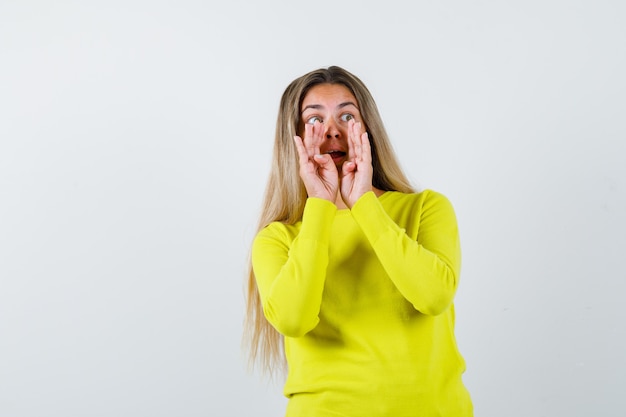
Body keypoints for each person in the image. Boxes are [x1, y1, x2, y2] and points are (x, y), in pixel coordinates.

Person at [245, 66, 473, 416]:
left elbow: (434, 296)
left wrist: (364, 204)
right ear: (293, 138)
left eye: (347, 115)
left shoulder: (426, 209)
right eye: (314, 121)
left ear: (367, 130)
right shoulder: (278, 238)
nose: (332, 131)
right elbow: (293, 319)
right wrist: (319, 207)